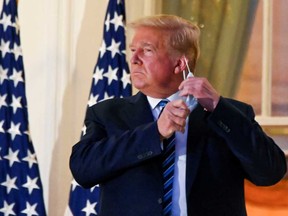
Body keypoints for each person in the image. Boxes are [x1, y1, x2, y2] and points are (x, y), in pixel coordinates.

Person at [69, 14, 287, 216]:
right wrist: (154, 132)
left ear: (180, 63)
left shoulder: (230, 114)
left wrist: (219, 108)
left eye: (147, 50)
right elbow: (82, 170)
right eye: (132, 50)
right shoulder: (108, 113)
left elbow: (270, 172)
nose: (134, 59)